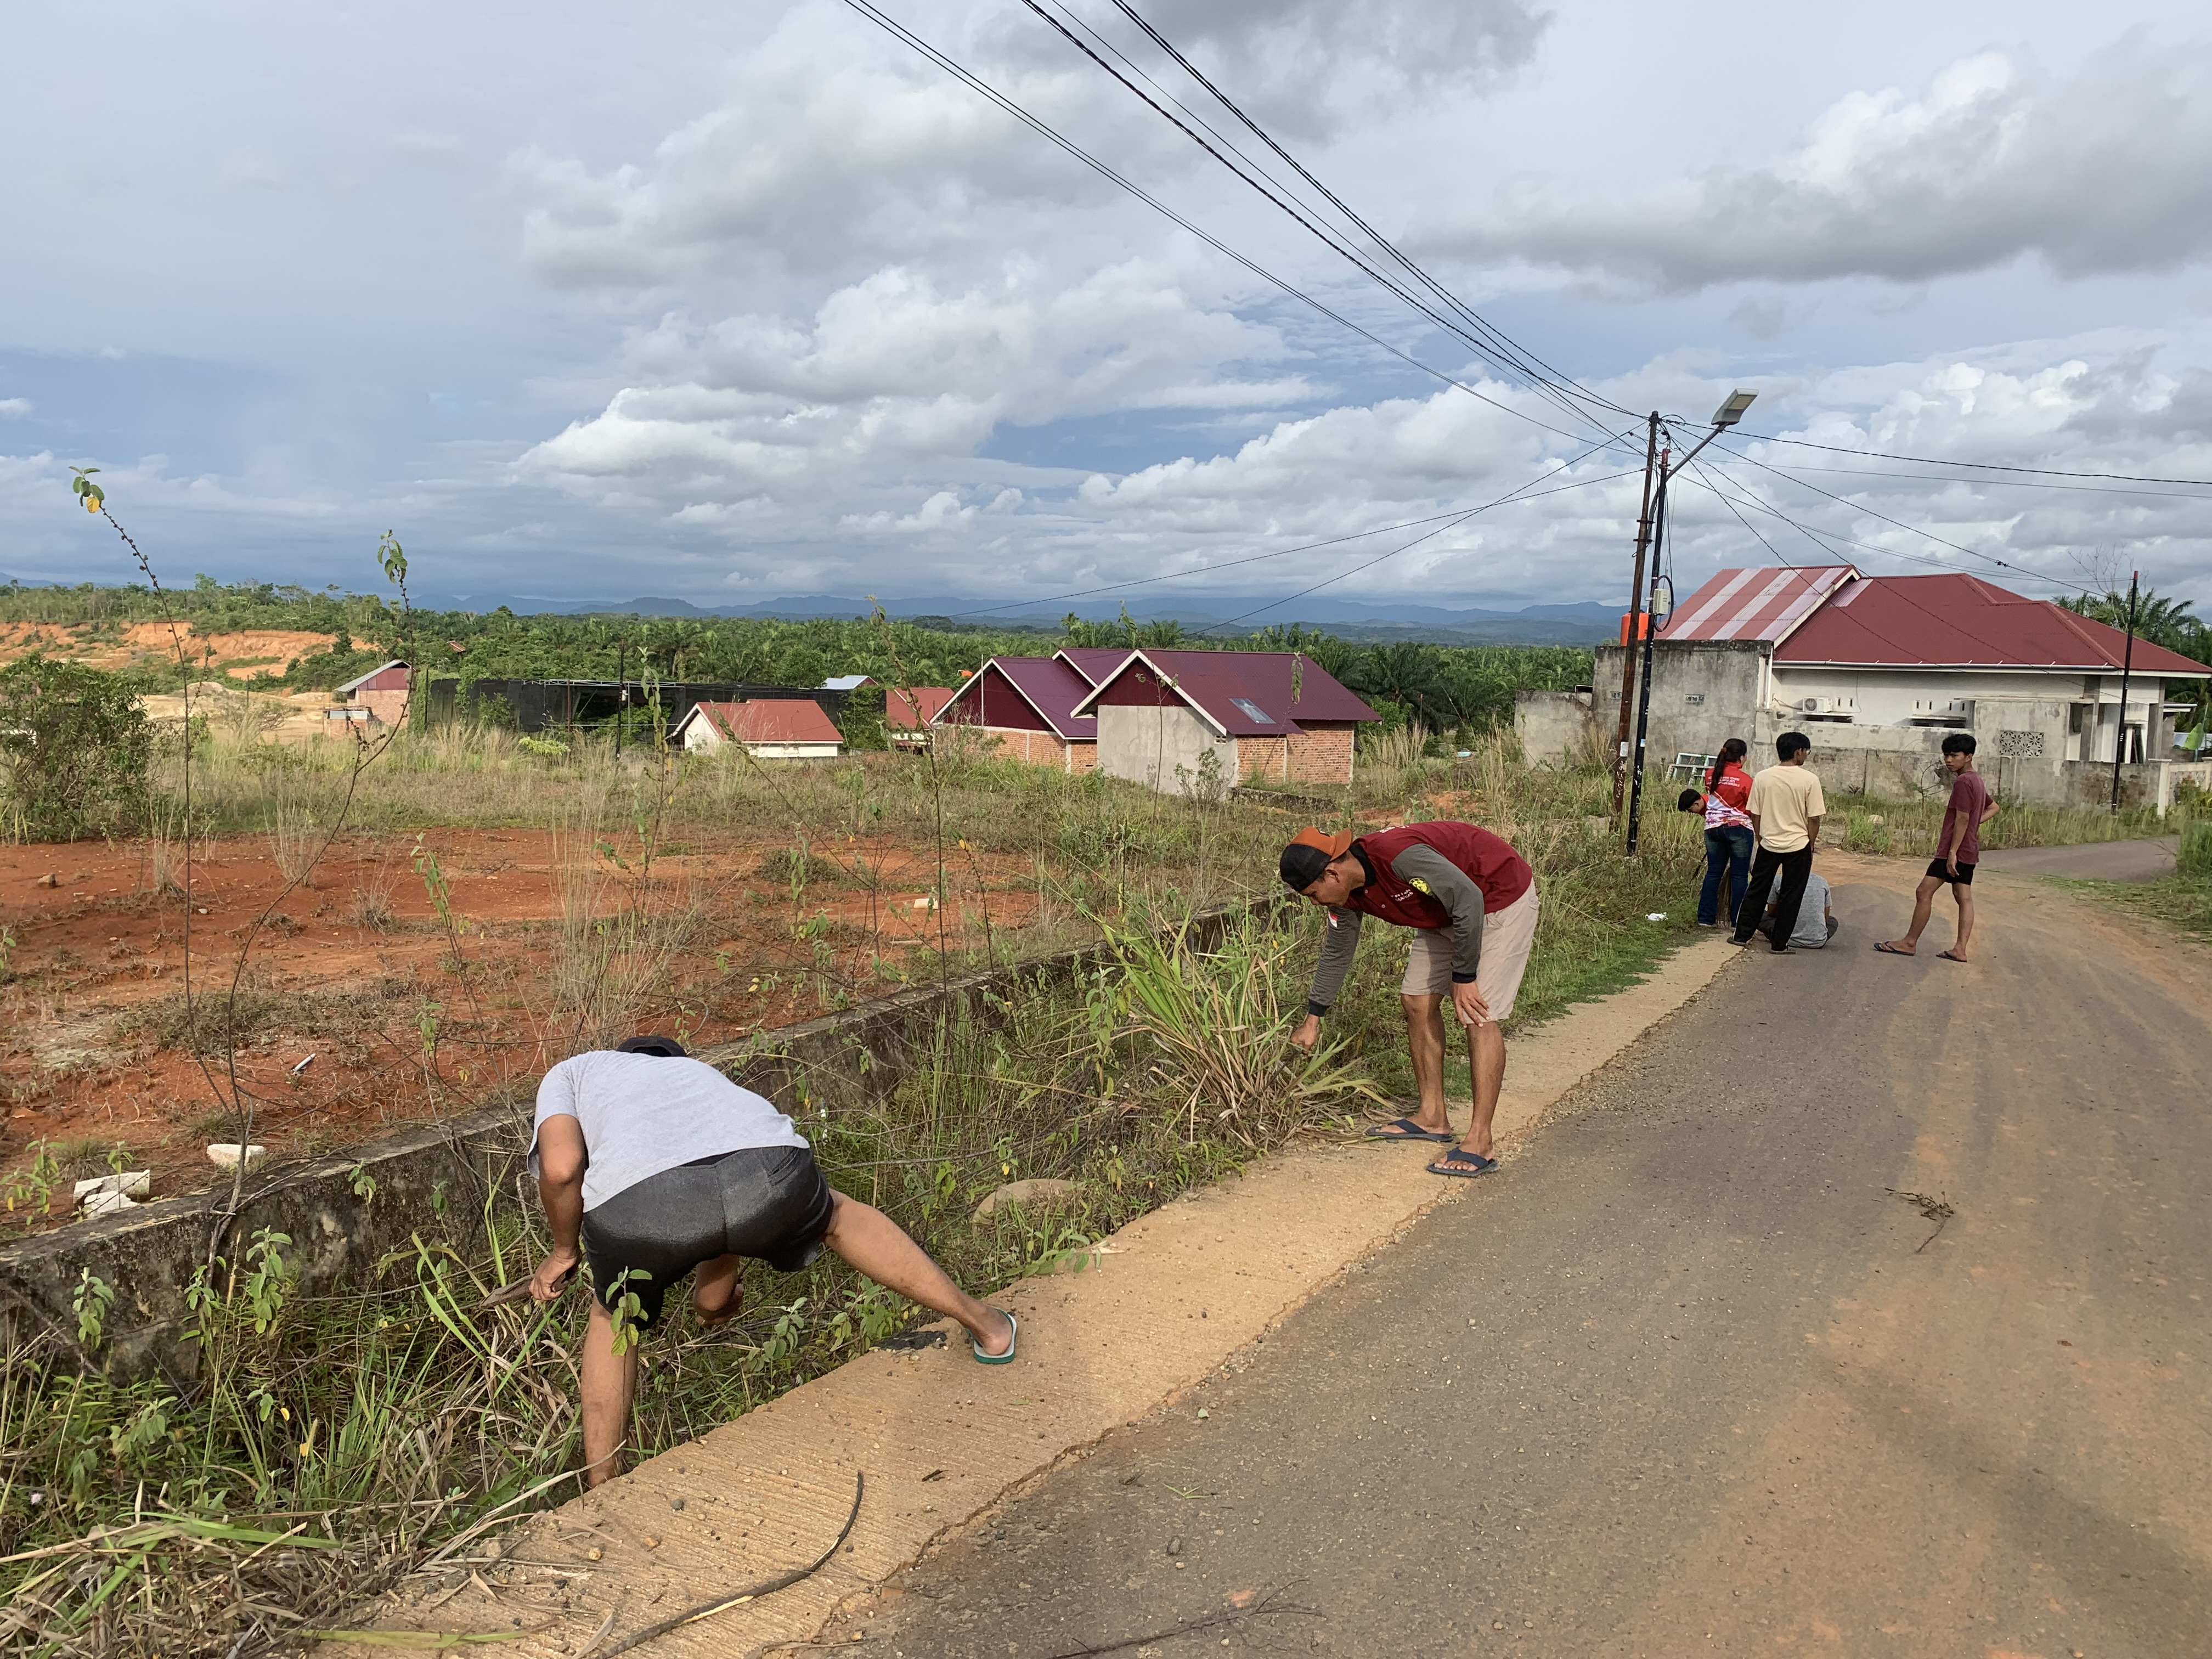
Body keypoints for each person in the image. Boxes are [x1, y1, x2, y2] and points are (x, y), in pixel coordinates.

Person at [527, 1036, 1016, 1488]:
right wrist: (714, 1305)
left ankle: (604, 1486)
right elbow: (719, 1207)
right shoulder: (700, 1077)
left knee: (615, 1313)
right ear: (671, 1060)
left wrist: (564, 1252)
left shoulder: (573, 1073)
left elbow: (562, 1168)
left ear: (622, 1057)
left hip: (641, 1207)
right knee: (837, 1216)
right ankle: (989, 1326)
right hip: (766, 1170)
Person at [1280, 822, 1539, 1179]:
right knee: (1416, 1000)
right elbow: (1338, 949)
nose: (1313, 902)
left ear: (1332, 873)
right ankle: (1432, 1116)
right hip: (1447, 912)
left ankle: (1481, 1140)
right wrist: (1313, 1018)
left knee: (1477, 1013)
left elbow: (1469, 898)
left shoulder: (1398, 856)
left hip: (1497, 898)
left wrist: (1464, 978)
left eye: (1312, 893)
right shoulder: (1348, 894)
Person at [1877, 732, 1999, 963]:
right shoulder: (1976, 780)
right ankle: (1960, 949)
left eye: (1955, 756)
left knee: (1924, 892)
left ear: (1969, 756)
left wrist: (1952, 852)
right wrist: (1975, 823)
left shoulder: (1964, 782)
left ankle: (1909, 942)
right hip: (1970, 849)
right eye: (1946, 755)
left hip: (1955, 850)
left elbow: (1963, 818)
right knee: (1964, 897)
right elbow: (1994, 808)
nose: (1949, 760)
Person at [1728, 732, 1826, 955]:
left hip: (1769, 843)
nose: (1806, 756)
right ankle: (1779, 944)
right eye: (1806, 751)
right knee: (1791, 896)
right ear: (1798, 751)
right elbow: (1814, 819)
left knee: (1757, 890)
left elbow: (1755, 814)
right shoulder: (1810, 780)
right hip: (1799, 845)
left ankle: (1741, 936)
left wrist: (1761, 837)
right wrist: (1810, 845)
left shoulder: (1763, 777)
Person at [1695, 737, 1754, 928]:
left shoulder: (1710, 774)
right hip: (1739, 830)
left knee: (1713, 873)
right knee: (1739, 876)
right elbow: (1751, 808)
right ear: (1742, 758)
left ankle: (1705, 919)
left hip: (1712, 829)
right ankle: (1738, 921)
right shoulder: (1746, 780)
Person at [1758, 868, 1838, 949]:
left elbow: (1771, 912)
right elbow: (1826, 917)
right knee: (1833, 921)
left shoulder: (1778, 879)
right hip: (1818, 941)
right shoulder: (1822, 881)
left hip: (1785, 939)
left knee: (1756, 914)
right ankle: (1814, 936)